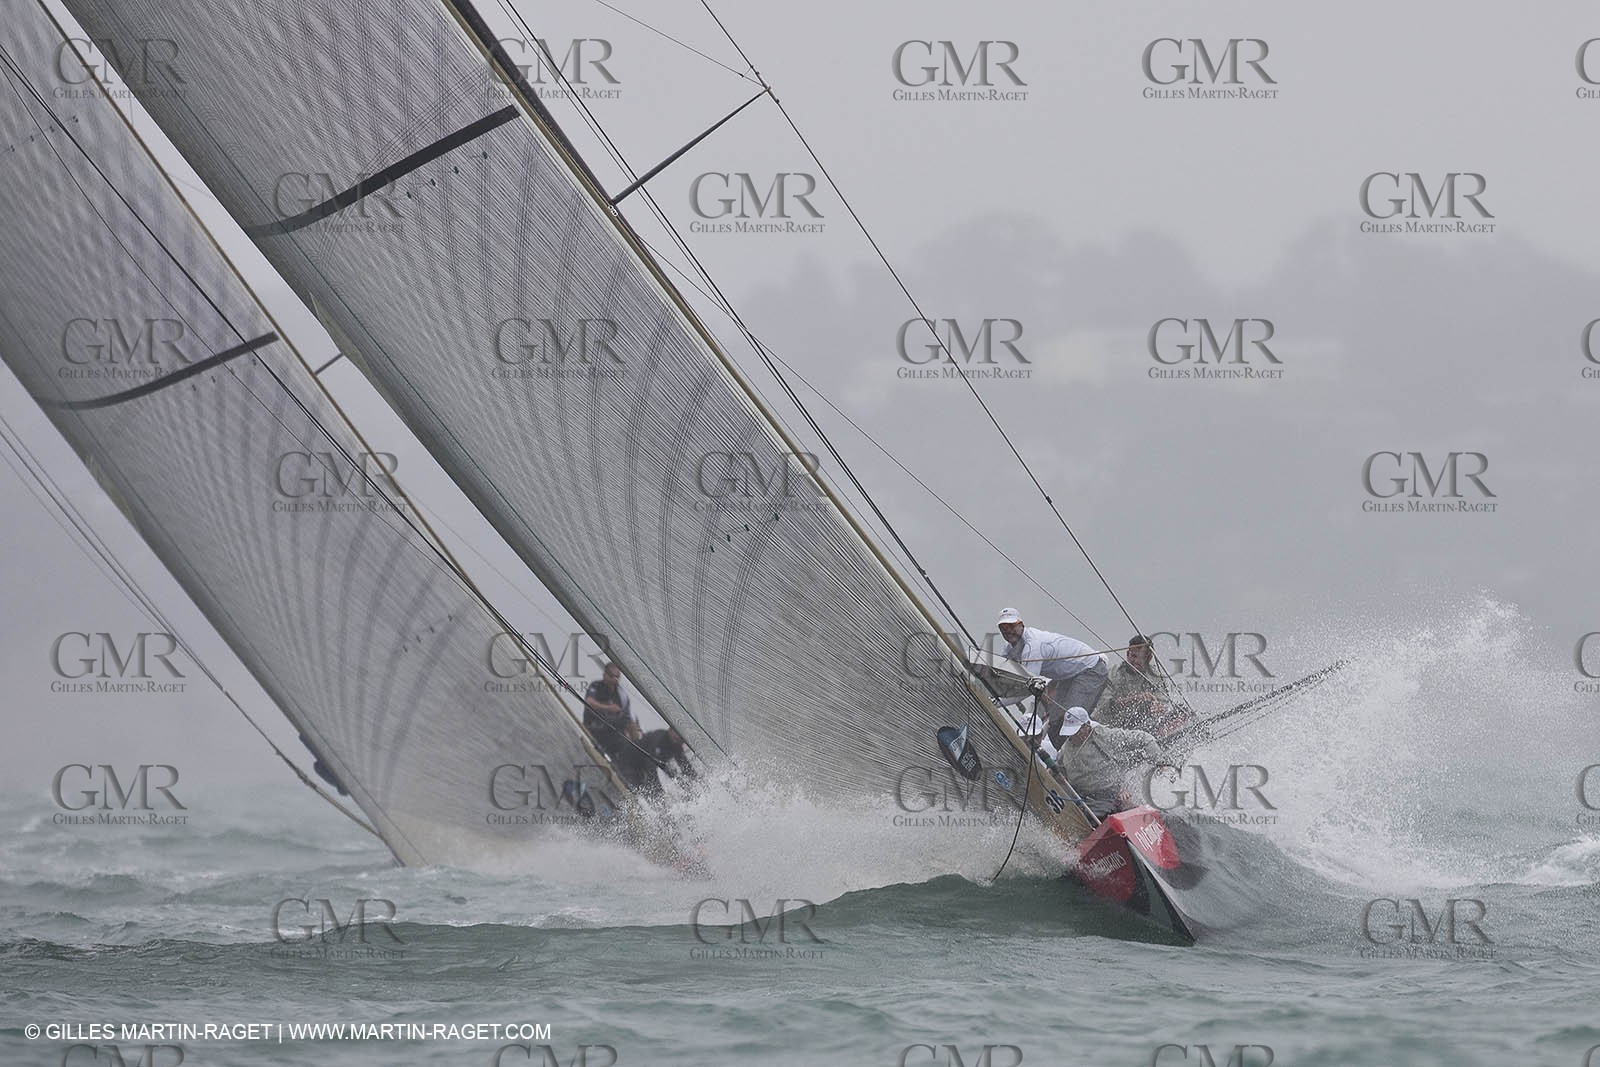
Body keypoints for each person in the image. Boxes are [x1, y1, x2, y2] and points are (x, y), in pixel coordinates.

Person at [995, 607, 1108, 749]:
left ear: (1021, 625)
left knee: (1070, 720)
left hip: (1090, 670)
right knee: (1055, 722)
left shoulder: (1033, 647)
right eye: (1003, 628)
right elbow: (1001, 676)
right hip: (1069, 676)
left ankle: (1090, 754)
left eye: (1011, 626)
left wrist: (996, 702)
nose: (1008, 631)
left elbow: (1026, 690)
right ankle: (1061, 762)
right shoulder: (1008, 648)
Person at [1038, 706, 1160, 819]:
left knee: (1093, 817)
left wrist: (1160, 763)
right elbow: (1058, 770)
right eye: (1069, 733)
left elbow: (1145, 739)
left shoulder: (1104, 736)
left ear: (1086, 727)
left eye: (1075, 732)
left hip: (1109, 794)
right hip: (1081, 797)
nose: (1072, 737)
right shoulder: (1065, 749)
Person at [1094, 634, 1183, 737]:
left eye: (1141, 657)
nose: (1136, 661)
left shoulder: (1157, 678)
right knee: (1142, 706)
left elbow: (1163, 704)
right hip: (1111, 728)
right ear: (1127, 654)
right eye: (1133, 656)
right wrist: (1133, 699)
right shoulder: (1113, 674)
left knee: (1182, 711)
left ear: (1149, 657)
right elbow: (1103, 707)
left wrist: (1158, 709)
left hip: (1143, 728)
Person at [582, 662, 634, 760]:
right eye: (611, 676)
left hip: (611, 735)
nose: (614, 679)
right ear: (604, 675)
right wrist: (608, 708)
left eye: (617, 677)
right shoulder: (596, 685)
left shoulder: (622, 695)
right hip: (593, 728)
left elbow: (627, 720)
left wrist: (634, 737)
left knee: (626, 730)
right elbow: (589, 702)